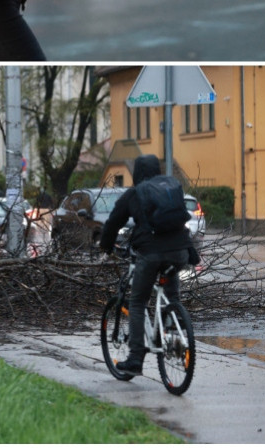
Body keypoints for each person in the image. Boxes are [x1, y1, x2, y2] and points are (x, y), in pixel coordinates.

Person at [97, 155, 199, 377]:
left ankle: (135, 358)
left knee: (137, 301)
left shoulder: (135, 193)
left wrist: (105, 246)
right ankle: (175, 332)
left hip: (152, 253)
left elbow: (114, 222)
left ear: (137, 174)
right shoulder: (171, 187)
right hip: (180, 252)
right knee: (172, 297)